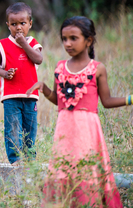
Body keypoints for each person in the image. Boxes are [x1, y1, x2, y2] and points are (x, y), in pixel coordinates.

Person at [27, 16, 127, 207]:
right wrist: (44, 88)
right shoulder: (60, 67)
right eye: (64, 39)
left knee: (87, 168)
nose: (68, 43)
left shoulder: (97, 69)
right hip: (64, 130)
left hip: (88, 131)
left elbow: (106, 101)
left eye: (74, 38)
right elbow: (59, 100)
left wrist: (130, 99)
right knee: (63, 167)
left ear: (88, 40)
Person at [0, 2, 43, 165]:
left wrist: (24, 44)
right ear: (8, 25)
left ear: (30, 24)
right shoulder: (2, 45)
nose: (18, 28)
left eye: (22, 23)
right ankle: (15, 161)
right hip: (11, 96)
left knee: (30, 129)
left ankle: (29, 159)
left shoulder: (33, 44)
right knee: (13, 129)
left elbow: (38, 59)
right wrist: (4, 73)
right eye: (14, 24)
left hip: (30, 95)